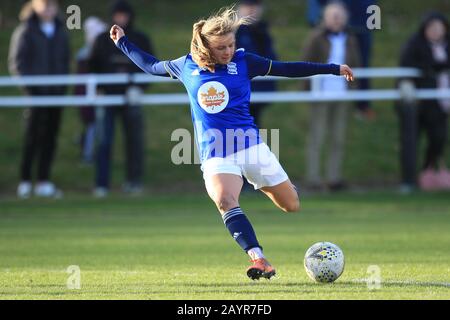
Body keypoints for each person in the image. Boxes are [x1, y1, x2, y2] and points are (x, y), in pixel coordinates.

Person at [110, 6, 354, 279]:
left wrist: (333, 68)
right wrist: (123, 42)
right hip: (216, 153)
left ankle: (276, 184)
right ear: (207, 47)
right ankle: (259, 259)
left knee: (291, 205)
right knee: (225, 200)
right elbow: (151, 65)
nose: (228, 51)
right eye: (222, 47)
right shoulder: (186, 65)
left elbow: (287, 68)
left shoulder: (245, 61)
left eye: (231, 45)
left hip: (250, 146)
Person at [88, 0, 154, 197]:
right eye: (117, 15)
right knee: (104, 141)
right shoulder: (101, 39)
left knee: (134, 141)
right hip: (107, 98)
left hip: (131, 97)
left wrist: (139, 88)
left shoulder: (141, 39)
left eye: (124, 15)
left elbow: (151, 65)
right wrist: (98, 89)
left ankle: (133, 182)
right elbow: (92, 66)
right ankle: (102, 184)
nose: (121, 19)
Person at [8, 0, 70, 199]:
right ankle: (25, 180)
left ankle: (44, 180)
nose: (48, 10)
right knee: (32, 138)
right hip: (35, 94)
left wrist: (61, 87)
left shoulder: (60, 31)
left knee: (50, 138)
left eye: (51, 6)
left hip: (55, 94)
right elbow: (17, 63)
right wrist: (30, 88)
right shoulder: (25, 31)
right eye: (44, 5)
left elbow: (65, 61)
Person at [302, 2, 361, 192]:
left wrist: (354, 86)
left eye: (340, 16)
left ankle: (334, 178)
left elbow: (357, 63)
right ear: (325, 18)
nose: (336, 20)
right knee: (317, 137)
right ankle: (313, 178)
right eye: (333, 16)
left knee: (338, 137)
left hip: (342, 93)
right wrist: (307, 90)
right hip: (320, 93)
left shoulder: (351, 38)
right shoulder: (315, 38)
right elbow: (304, 63)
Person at [397, 12, 450, 192]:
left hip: (440, 102)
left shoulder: (446, 45)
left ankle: (429, 167)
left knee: (439, 137)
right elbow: (408, 67)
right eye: (432, 28)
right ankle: (409, 180)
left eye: (439, 27)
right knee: (410, 141)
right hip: (417, 103)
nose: (436, 31)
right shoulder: (414, 44)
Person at [235, 0, 277, 128]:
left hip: (259, 90)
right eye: (248, 6)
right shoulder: (232, 32)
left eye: (255, 6)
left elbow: (271, 59)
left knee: (253, 130)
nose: (251, 9)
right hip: (240, 92)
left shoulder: (263, 31)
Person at [75, 17, 107, 165]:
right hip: (89, 98)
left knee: (98, 127)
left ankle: (94, 152)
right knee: (92, 125)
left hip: (98, 96)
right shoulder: (84, 56)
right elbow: (81, 83)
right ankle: (88, 154)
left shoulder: (99, 53)